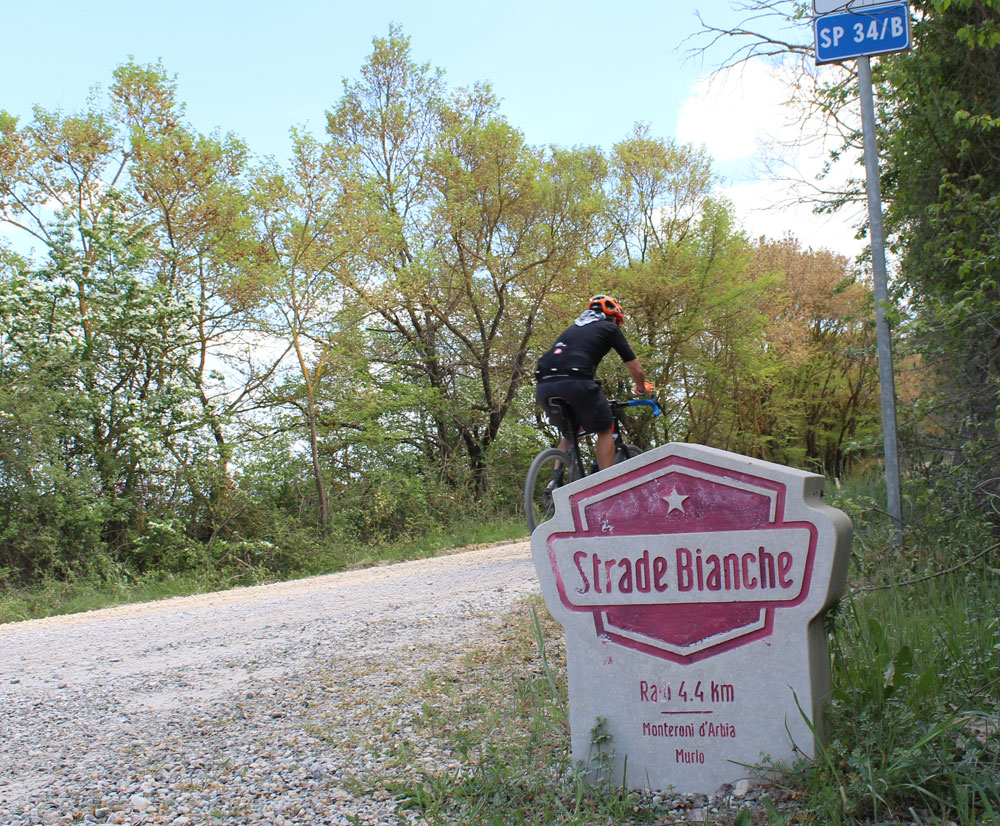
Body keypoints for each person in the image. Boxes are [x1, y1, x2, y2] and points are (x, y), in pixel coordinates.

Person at [535, 294, 652, 471]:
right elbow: (637, 370)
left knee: (572, 432)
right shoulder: (609, 328)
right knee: (605, 429)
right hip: (576, 383)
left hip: (543, 385)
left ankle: (554, 482)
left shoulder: (573, 328)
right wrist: (642, 390)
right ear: (614, 318)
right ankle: (605, 483)